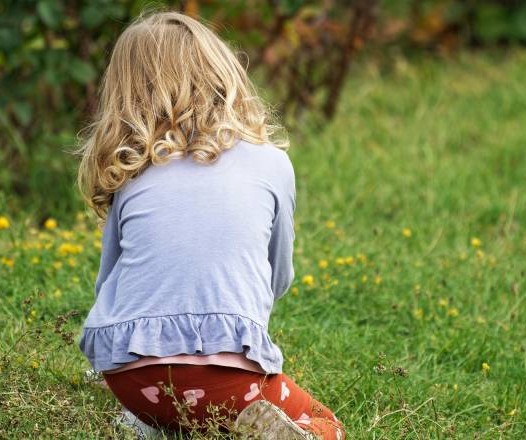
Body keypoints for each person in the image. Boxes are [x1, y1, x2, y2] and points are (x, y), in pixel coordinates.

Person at [76, 10, 344, 440]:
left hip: (129, 378)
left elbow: (108, 282)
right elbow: (278, 277)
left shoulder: (132, 170)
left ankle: (150, 421)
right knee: (326, 422)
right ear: (223, 73)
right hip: (230, 381)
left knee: (172, 409)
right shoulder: (271, 162)